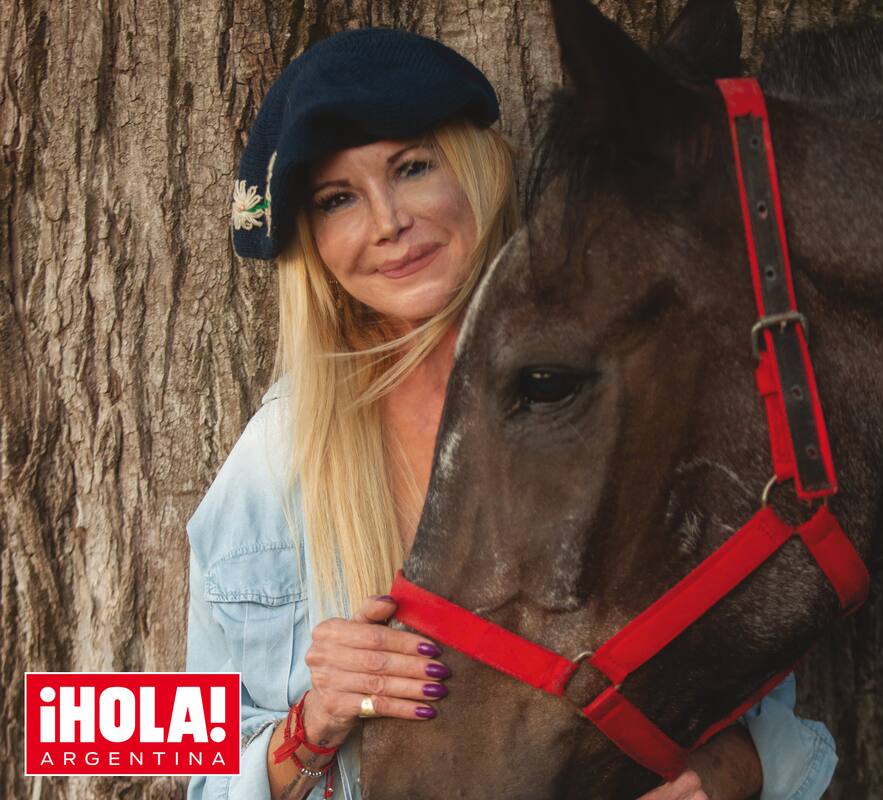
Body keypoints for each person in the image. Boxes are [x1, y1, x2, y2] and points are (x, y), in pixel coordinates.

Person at [186, 27, 838, 800]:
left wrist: (726, 778)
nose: (388, 221)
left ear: (475, 169)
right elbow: (199, 776)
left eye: (413, 167)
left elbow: (772, 719)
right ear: (314, 245)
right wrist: (315, 721)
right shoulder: (277, 462)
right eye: (338, 199)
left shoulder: (628, 400)